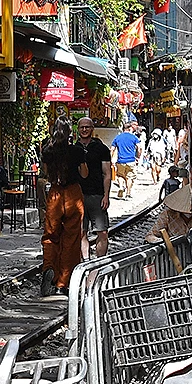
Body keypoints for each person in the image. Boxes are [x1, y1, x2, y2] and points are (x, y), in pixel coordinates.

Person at [40, 123, 88, 295]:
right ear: (69, 132)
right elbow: (84, 174)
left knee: (50, 235)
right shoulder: (76, 150)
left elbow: (46, 173)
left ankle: (49, 269)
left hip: (55, 194)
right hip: (73, 194)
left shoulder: (48, 150)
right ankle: (63, 282)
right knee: (71, 239)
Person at [77, 116, 114, 259]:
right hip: (78, 196)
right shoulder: (74, 149)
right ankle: (85, 261)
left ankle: (99, 262)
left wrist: (106, 195)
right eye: (82, 127)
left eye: (87, 127)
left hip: (97, 195)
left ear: (92, 129)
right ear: (78, 129)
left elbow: (107, 174)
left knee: (102, 231)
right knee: (81, 232)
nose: (84, 129)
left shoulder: (101, 149)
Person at [111, 121, 140, 199]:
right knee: (129, 177)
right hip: (131, 160)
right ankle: (128, 193)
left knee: (120, 175)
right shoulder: (133, 137)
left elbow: (112, 149)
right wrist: (138, 156)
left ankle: (121, 187)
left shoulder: (117, 137)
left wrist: (111, 159)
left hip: (120, 160)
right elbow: (139, 147)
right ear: (129, 128)